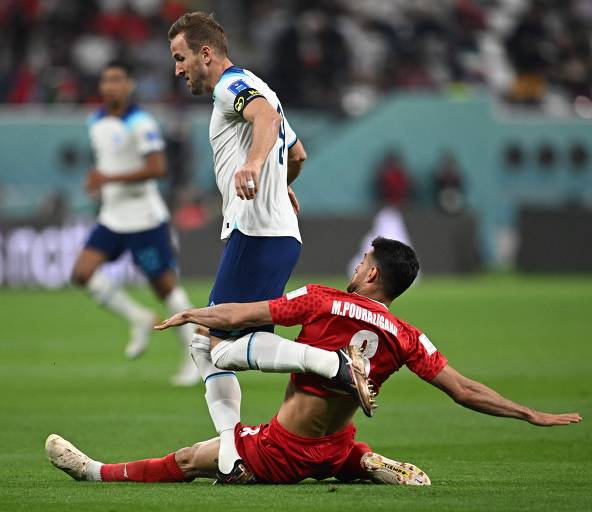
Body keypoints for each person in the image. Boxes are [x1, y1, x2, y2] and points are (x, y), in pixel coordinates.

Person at [45, 237, 581, 485]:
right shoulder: (409, 336)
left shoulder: (323, 298)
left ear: (372, 275)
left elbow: (248, 311)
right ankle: (360, 462)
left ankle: (95, 473)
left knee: (191, 460)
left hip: (288, 450)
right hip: (336, 442)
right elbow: (465, 390)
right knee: (334, 443)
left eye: (364, 260)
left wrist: (198, 314)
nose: (358, 263)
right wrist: (529, 414)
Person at [167, 11, 313, 481]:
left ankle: (331, 364)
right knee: (209, 344)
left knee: (212, 346)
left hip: (256, 232)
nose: (177, 69)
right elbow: (297, 154)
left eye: (181, 57)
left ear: (205, 53)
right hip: (274, 232)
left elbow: (264, 119)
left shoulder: (231, 87)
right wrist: (280, 182)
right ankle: (233, 457)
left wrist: (252, 167)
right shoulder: (258, 82)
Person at [72, 61, 199, 386]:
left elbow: (158, 168)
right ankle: (139, 318)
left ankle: (195, 356)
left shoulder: (141, 123)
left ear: (129, 85)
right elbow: (108, 162)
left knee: (165, 288)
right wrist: (101, 180)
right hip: (113, 218)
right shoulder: (96, 120)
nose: (110, 86)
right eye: (106, 80)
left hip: (144, 220)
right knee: (82, 273)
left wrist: (108, 178)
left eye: (117, 80)